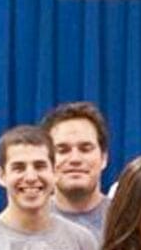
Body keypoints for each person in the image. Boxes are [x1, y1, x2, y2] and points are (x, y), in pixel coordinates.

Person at [42, 101, 112, 237]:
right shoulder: (26, 224)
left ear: (104, 158)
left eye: (85, 149)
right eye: (63, 150)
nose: (75, 159)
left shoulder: (129, 222)